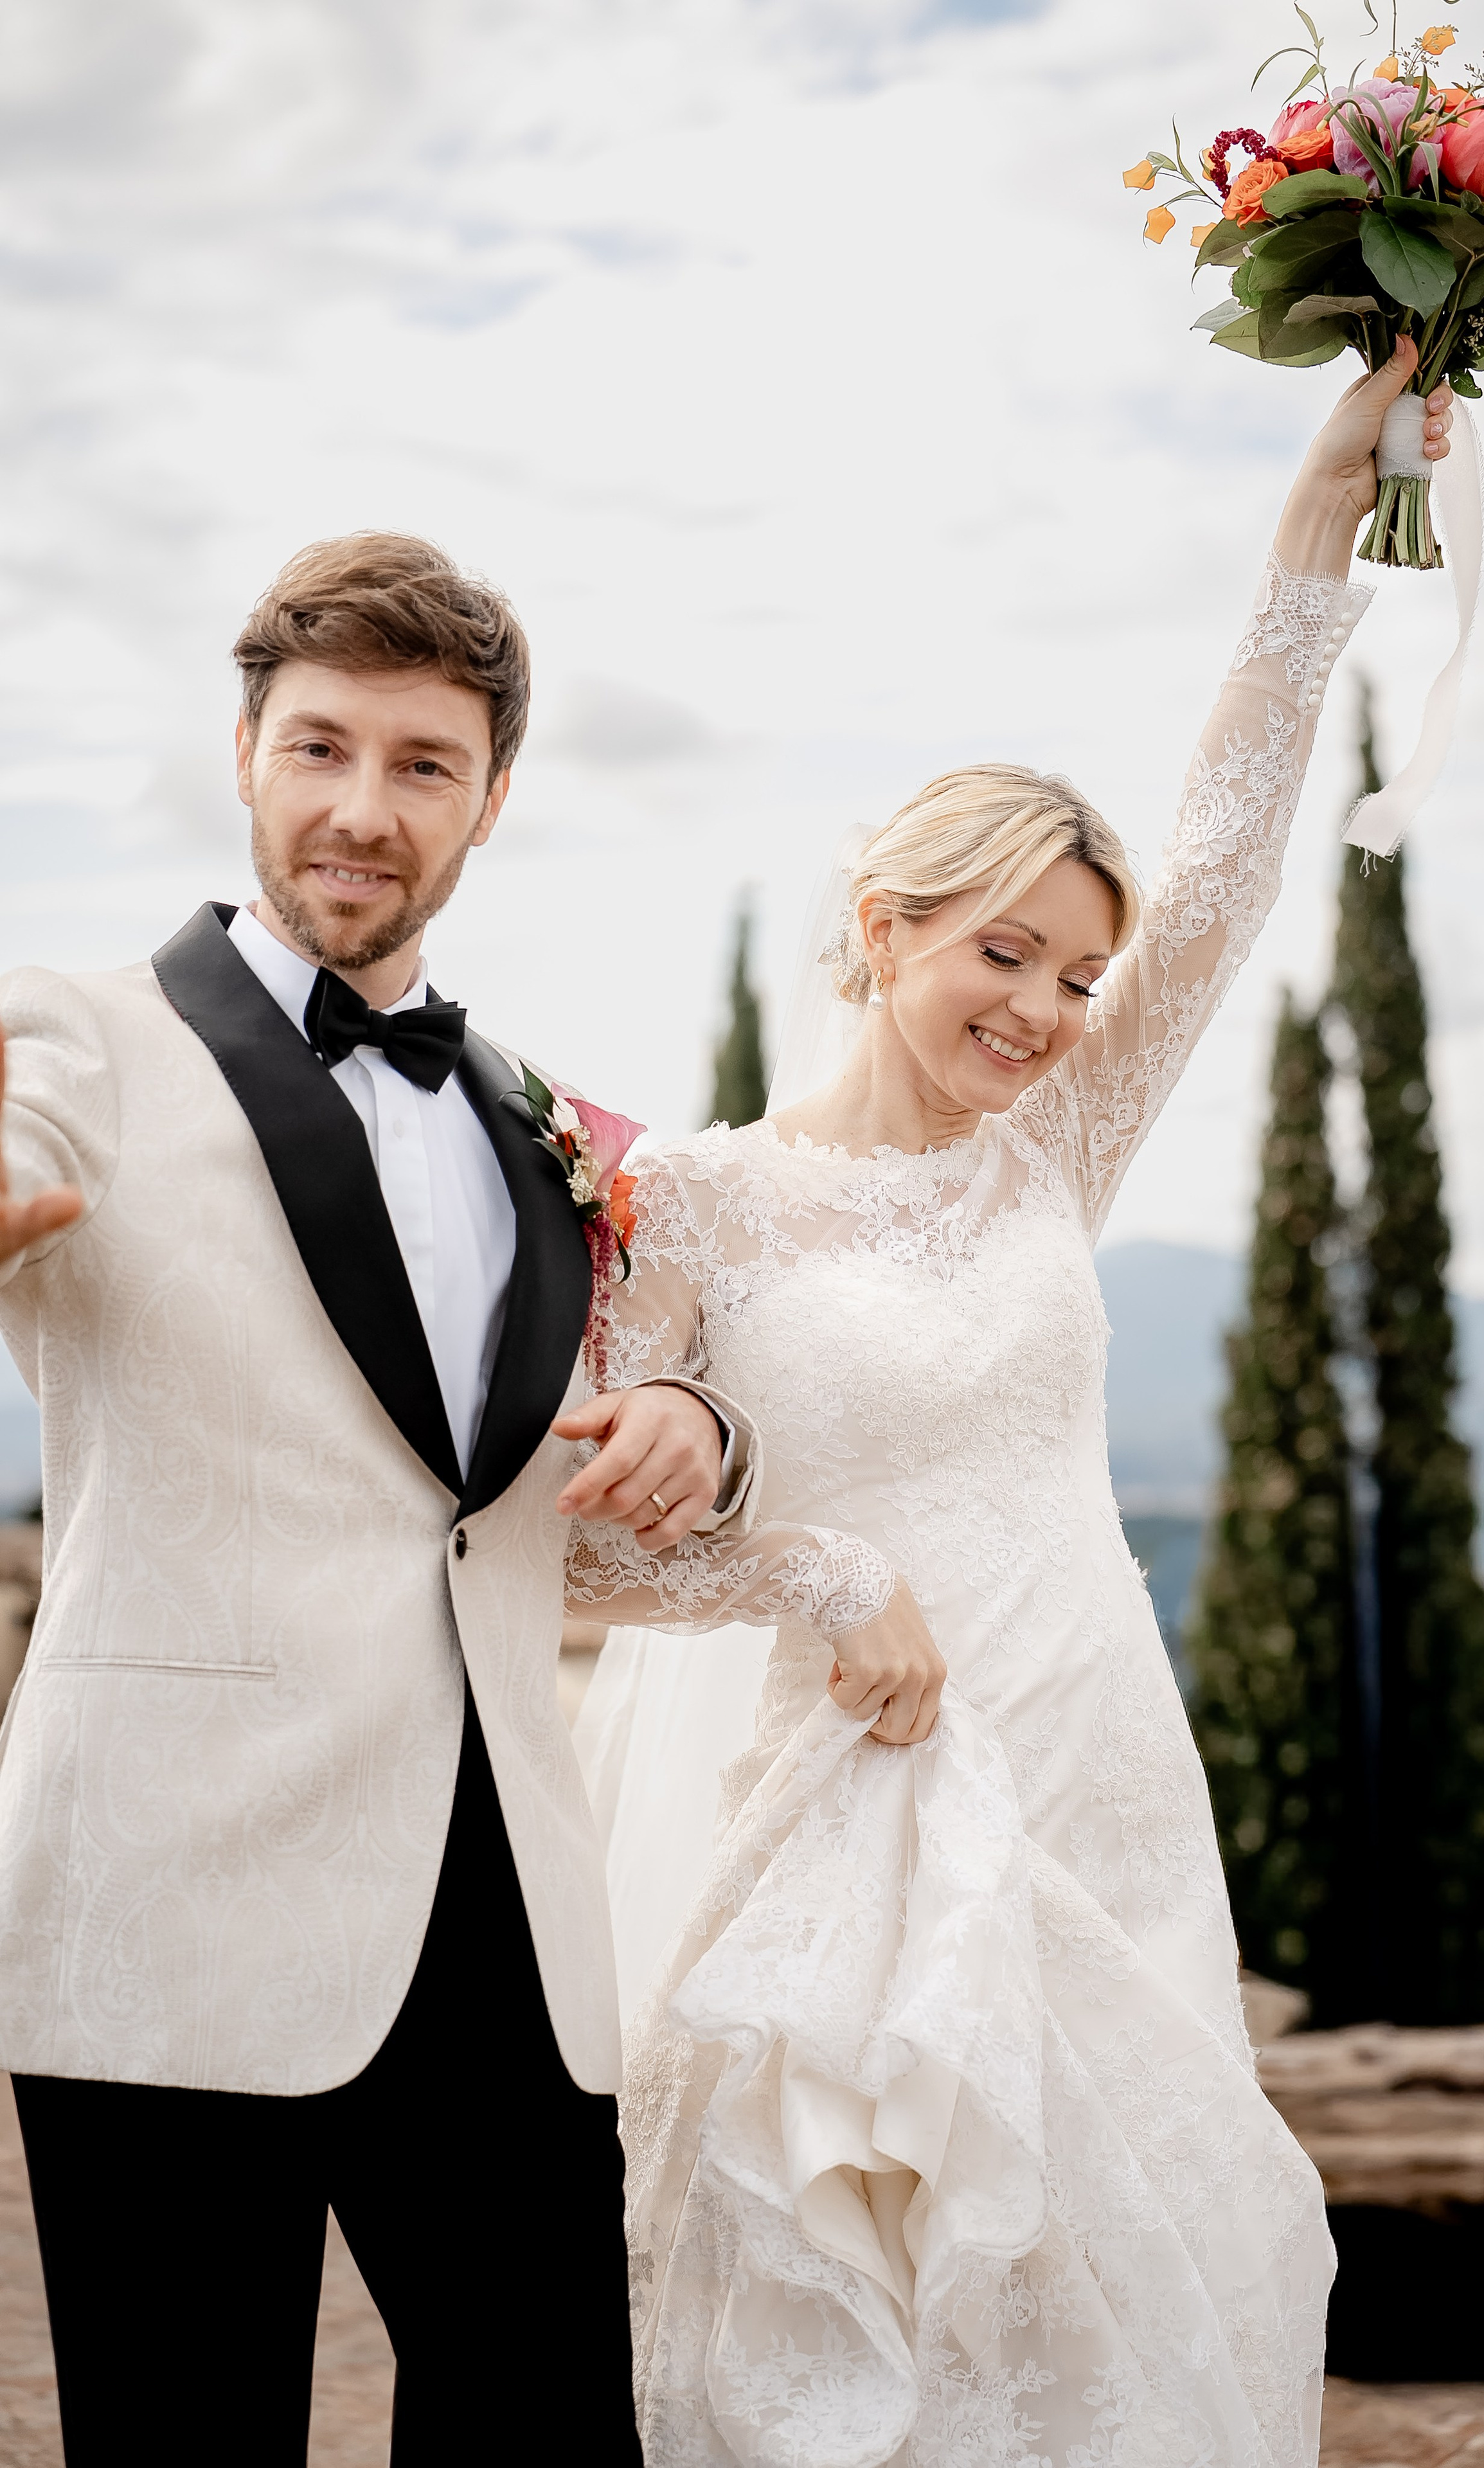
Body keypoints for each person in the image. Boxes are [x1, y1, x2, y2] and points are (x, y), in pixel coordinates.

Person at [569, 341, 1453, 2467]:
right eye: (1007, 959)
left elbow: (1234, 865)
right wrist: (827, 1569)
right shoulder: (693, 1200)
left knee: (1124, 2259)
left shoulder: (1050, 1152)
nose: (1051, 1014)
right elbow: (595, 1541)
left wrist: (1323, 511)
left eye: (1078, 975)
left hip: (1090, 1761)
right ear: (882, 933)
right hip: (854, 1789)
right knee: (852, 2272)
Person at [0, 532, 942, 2466]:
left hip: (504, 1914)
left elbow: (607, 1432)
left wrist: (699, 1418)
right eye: (322, 747)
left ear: (491, 800)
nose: (363, 808)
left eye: (423, 765)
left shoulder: (547, 1124)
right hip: (169, 1901)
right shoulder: (77, 1036)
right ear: (246, 751)